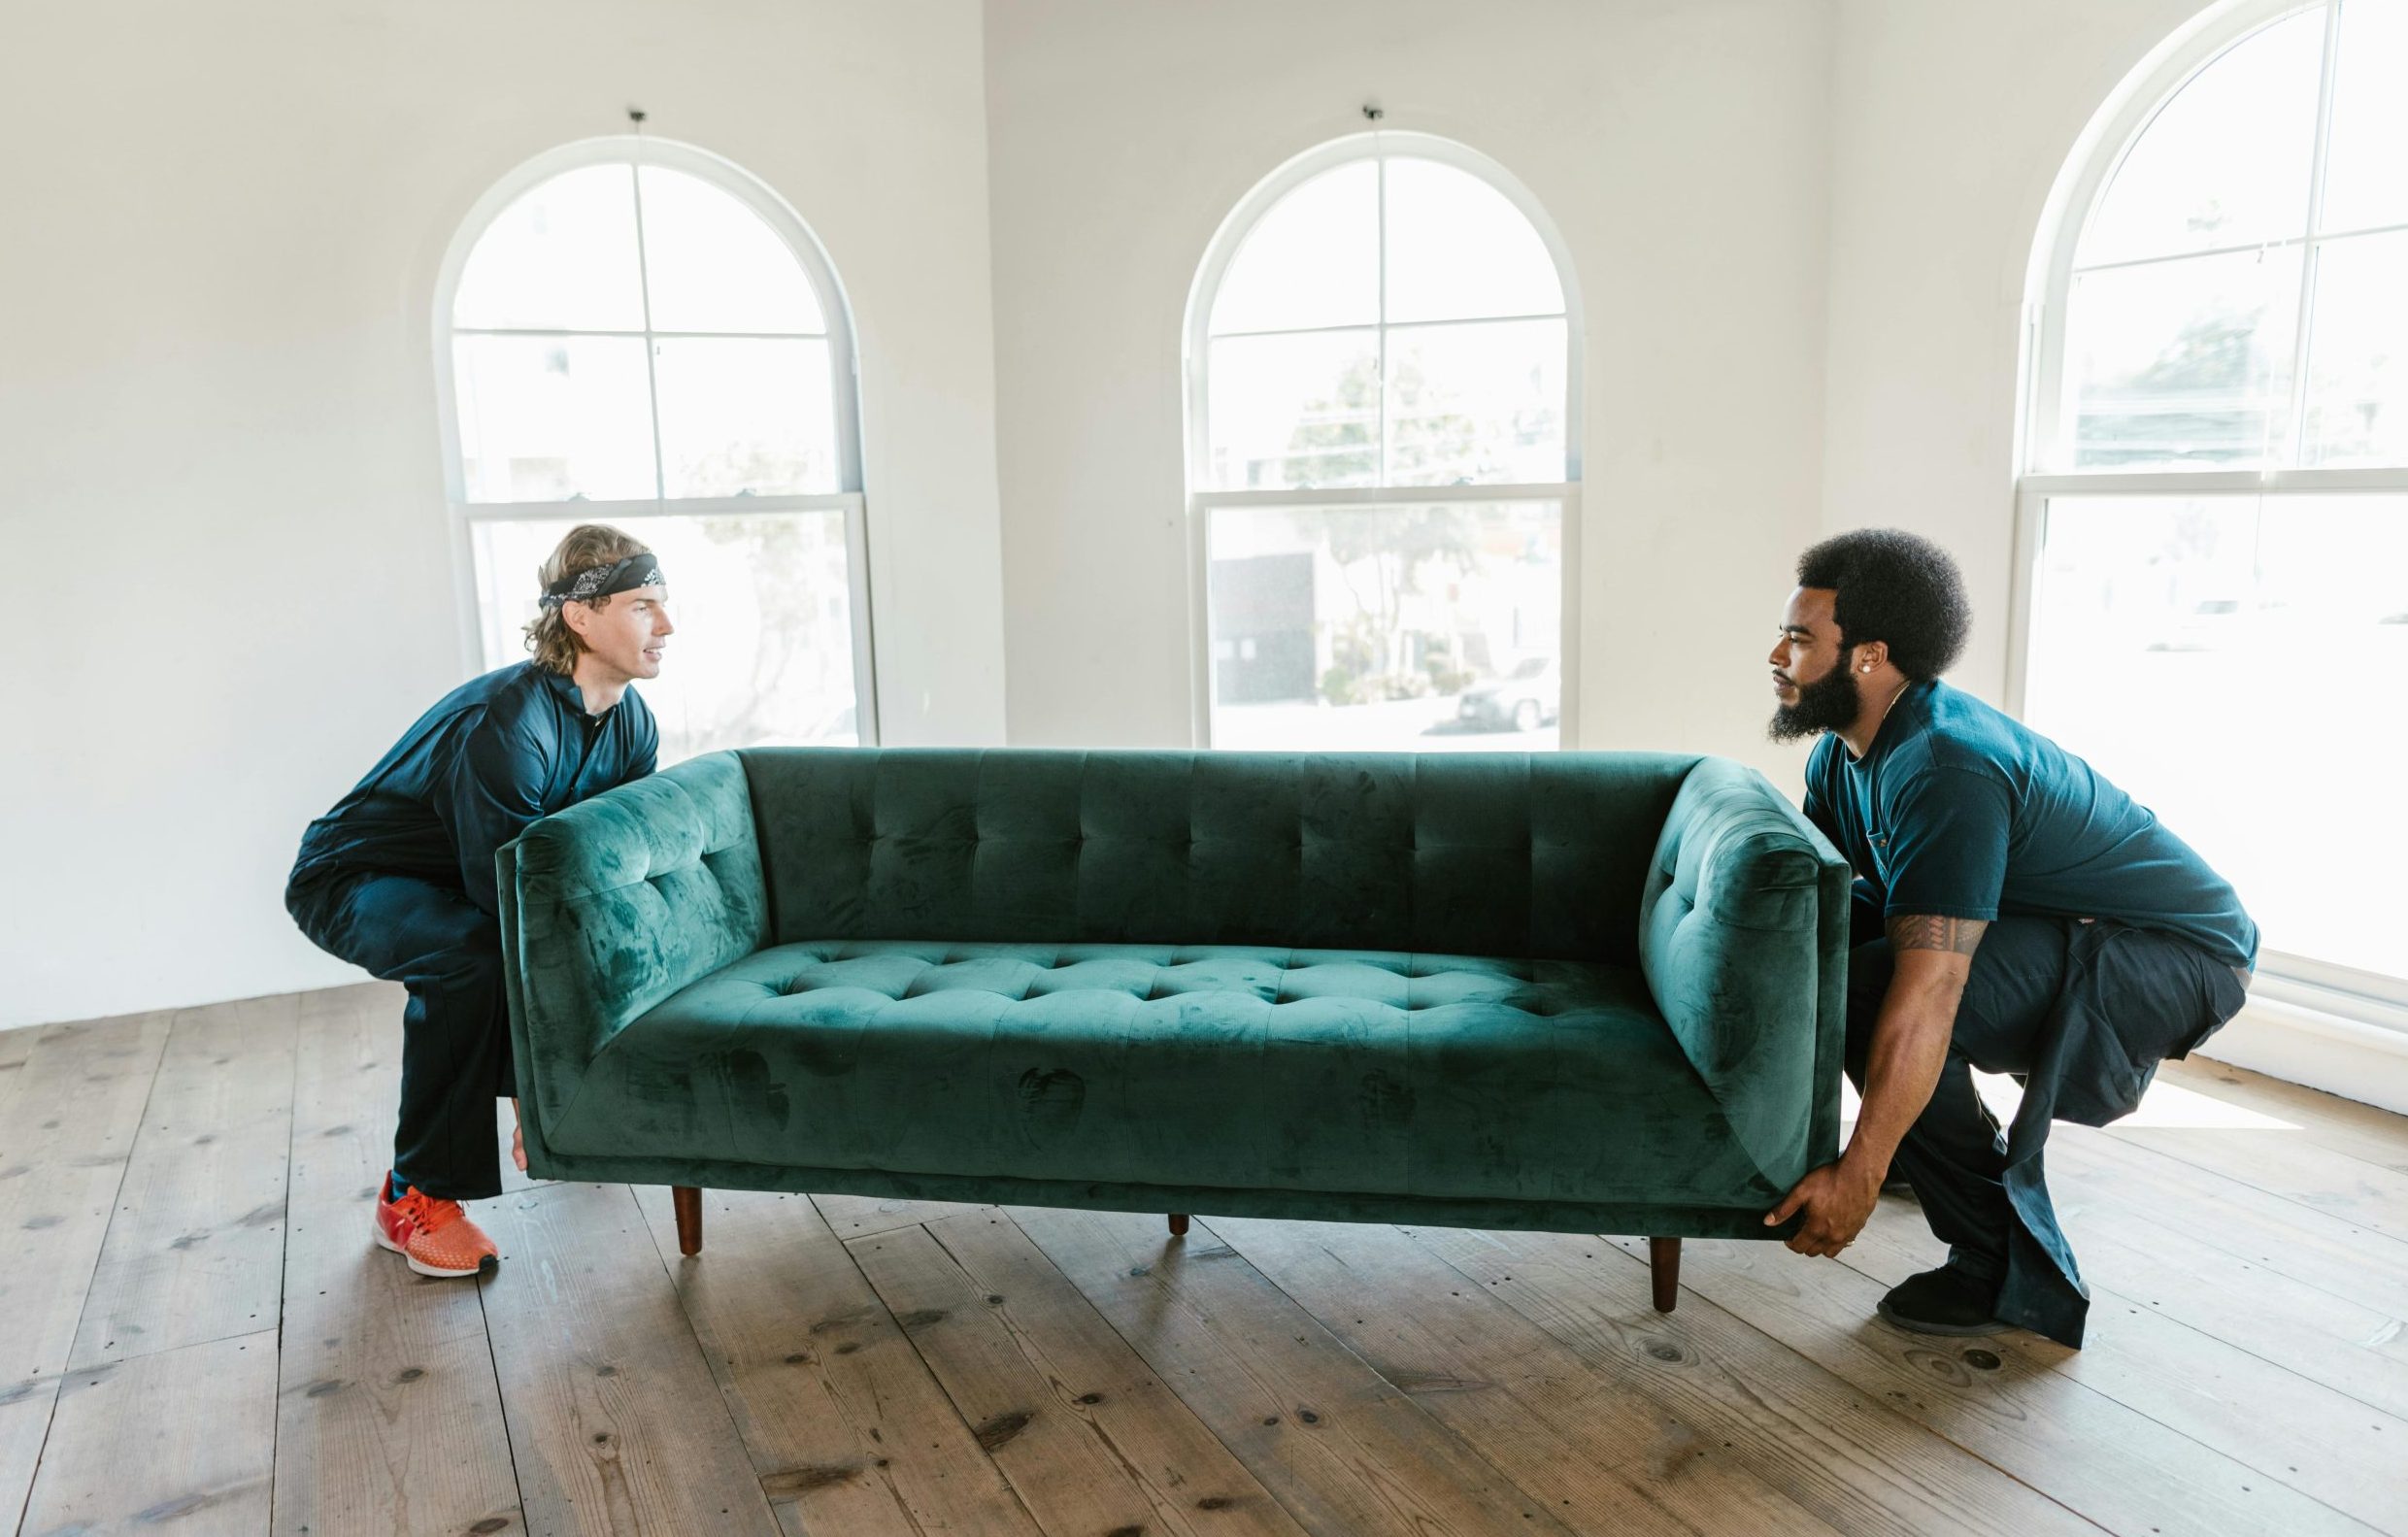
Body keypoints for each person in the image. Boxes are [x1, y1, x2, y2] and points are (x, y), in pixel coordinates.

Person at [1762, 528, 2254, 1346]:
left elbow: (1929, 994)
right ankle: (1938, 1157)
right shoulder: (1841, 758)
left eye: (1802, 638)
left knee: (1879, 994)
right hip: (2080, 924)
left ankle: (2001, 1262)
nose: (1777, 653)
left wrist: (1861, 1164)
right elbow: (1832, 914)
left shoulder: (1943, 764)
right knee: (1850, 969)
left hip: (2174, 955)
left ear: (1870, 657)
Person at [284, 524, 671, 1276]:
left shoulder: (632, 725)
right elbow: (506, 900)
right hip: (351, 875)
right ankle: (412, 1197)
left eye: (665, 604)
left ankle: (554, 1109)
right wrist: (532, 1079)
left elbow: (610, 870)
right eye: (643, 605)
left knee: (545, 936)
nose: (666, 624)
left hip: (461, 881)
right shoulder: (509, 722)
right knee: (467, 954)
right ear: (581, 616)